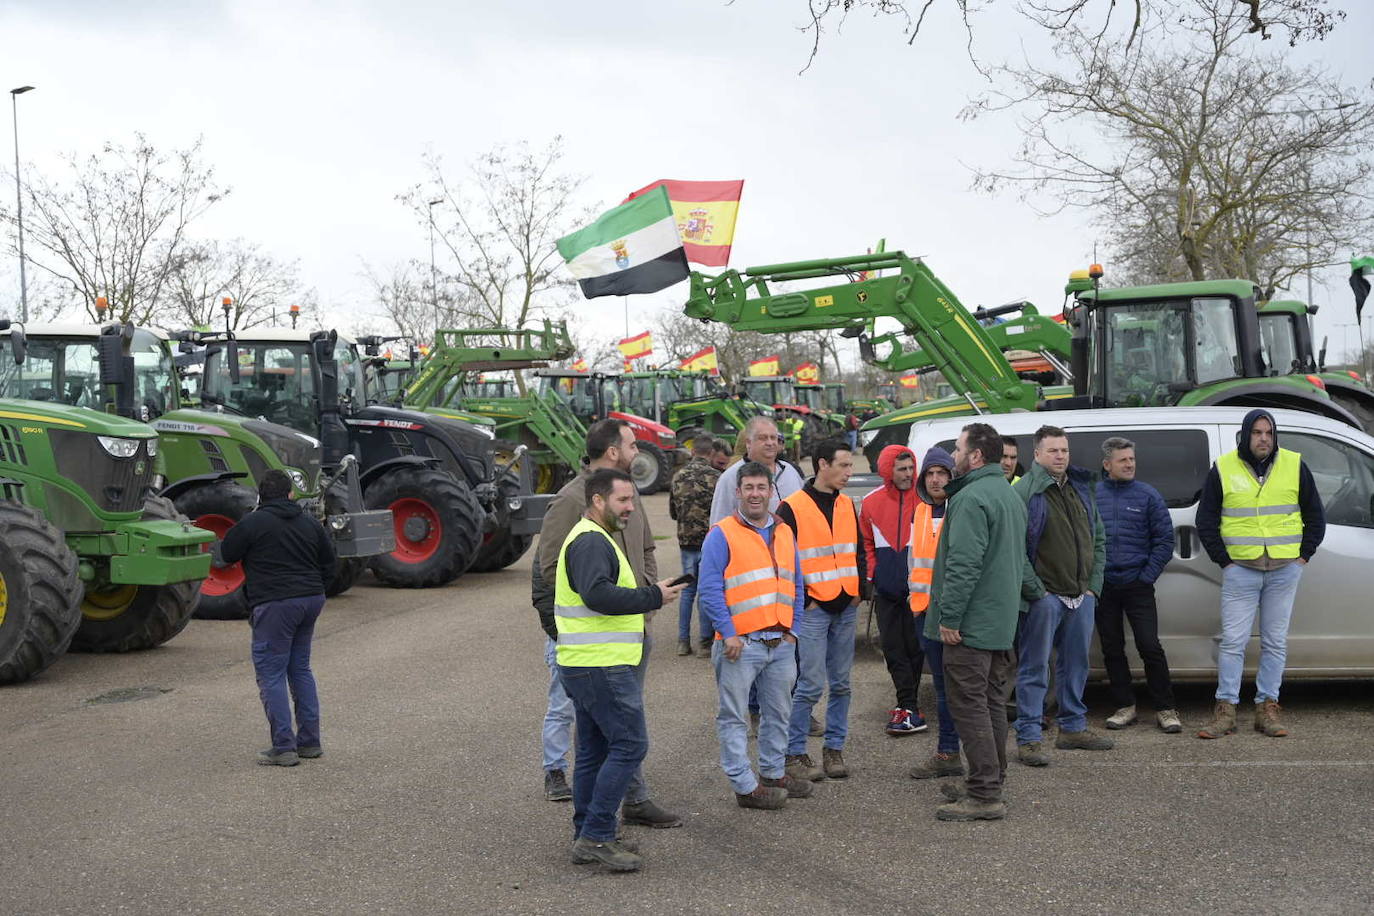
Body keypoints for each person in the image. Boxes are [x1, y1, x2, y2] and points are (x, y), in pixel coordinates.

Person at [537, 418, 681, 829]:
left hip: (630, 634)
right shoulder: (573, 502)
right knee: (615, 738)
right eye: (633, 445)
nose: (639, 452)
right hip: (595, 644)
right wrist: (576, 620)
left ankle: (622, 807)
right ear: (613, 451)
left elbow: (647, 551)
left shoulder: (625, 496)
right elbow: (553, 570)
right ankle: (601, 826)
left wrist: (645, 604)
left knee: (618, 730)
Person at [554, 468, 686, 872]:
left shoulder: (591, 538)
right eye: (623, 500)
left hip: (587, 665)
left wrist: (650, 592)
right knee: (630, 744)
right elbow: (596, 595)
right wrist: (651, 595)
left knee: (594, 751)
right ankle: (596, 836)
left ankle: (587, 833)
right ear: (598, 501)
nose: (631, 508)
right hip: (600, 666)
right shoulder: (592, 541)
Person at [1195, 409, 1325, 739]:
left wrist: (1303, 557)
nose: (1263, 438)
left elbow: (1316, 517)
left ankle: (1267, 707)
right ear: (1245, 435)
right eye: (1256, 432)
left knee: (1274, 642)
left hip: (1284, 570)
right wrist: (1224, 561)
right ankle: (1225, 710)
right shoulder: (1223, 467)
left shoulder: (1294, 465)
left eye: (1268, 432)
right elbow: (1205, 520)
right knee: (1233, 643)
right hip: (1241, 571)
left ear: (1275, 435)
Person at [923, 423, 1027, 821]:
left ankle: (984, 794)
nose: (952, 456)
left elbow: (963, 566)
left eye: (958, 448)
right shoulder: (1006, 493)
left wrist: (950, 617)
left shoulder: (971, 499)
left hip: (971, 625)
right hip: (999, 623)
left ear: (976, 456)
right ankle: (989, 780)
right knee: (991, 704)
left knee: (971, 707)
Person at [699, 461, 808, 810]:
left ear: (772, 492)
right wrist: (728, 633)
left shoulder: (784, 531)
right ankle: (745, 786)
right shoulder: (722, 533)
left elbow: (797, 583)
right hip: (740, 646)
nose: (756, 494)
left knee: (779, 712)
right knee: (734, 717)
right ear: (738, 492)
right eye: (749, 488)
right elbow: (710, 587)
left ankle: (773, 773)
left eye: (762, 487)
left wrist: (794, 630)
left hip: (780, 642)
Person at [219, 469, 336, 767]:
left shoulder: (253, 522)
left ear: (261, 495)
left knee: (271, 673)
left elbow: (227, 553)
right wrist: (314, 588)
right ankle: (310, 742)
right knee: (300, 668)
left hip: (274, 603)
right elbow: (330, 563)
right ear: (291, 494)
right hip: (310, 599)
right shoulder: (310, 523)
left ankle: (283, 747)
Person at [1013, 425, 1113, 767]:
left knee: (1076, 665)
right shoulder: (1026, 492)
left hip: (1080, 595)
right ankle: (1028, 737)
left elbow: (1097, 536)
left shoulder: (1080, 488)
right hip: (1045, 597)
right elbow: (1014, 550)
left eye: (1064, 450)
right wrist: (1036, 591)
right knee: (1034, 667)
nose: (1060, 456)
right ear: (1037, 454)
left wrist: (1092, 586)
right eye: (1053, 450)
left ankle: (1072, 728)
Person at [780, 439, 865, 783]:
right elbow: (784, 563)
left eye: (849, 465)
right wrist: (804, 603)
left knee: (842, 684)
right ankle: (795, 752)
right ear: (821, 465)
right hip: (814, 609)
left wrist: (859, 591)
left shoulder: (846, 504)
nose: (849, 472)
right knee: (810, 684)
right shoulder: (792, 507)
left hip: (846, 605)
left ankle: (834, 750)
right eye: (843, 465)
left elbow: (857, 549)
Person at [1094, 436, 1182, 733]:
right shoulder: (1093, 496)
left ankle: (1166, 709)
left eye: (1132, 459)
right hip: (1104, 585)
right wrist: (1094, 577)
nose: (1130, 464)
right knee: (1112, 648)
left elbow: (1164, 541)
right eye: (1123, 460)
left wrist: (1146, 576)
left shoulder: (1147, 495)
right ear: (1108, 465)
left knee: (1149, 645)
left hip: (1138, 584)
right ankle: (1125, 706)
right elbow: (1083, 541)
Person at [906, 446, 968, 782]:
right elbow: (913, 560)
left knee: (951, 689)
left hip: (948, 616)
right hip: (922, 611)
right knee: (942, 687)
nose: (934, 479)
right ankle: (948, 751)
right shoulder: (918, 512)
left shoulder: (960, 510)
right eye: (929, 473)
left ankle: (950, 751)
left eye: (941, 473)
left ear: (952, 476)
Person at [859, 444, 929, 736]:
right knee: (893, 648)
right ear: (888, 470)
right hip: (887, 591)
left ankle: (908, 705)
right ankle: (907, 703)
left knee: (916, 648)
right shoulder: (870, 502)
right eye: (901, 469)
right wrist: (873, 577)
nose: (908, 474)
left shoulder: (926, 500)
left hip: (918, 591)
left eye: (911, 468)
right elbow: (866, 545)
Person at [668, 437, 722, 656]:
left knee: (687, 591)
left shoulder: (678, 476)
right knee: (706, 591)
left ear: (692, 452)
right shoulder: (716, 477)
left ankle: (683, 641)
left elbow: (673, 511)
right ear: (710, 453)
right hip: (709, 540)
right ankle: (704, 643)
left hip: (686, 540)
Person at [709, 416, 805, 525]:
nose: (770, 443)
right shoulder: (730, 477)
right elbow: (718, 522)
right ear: (748, 443)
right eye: (763, 438)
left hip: (790, 541)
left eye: (773, 438)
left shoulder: (790, 471)